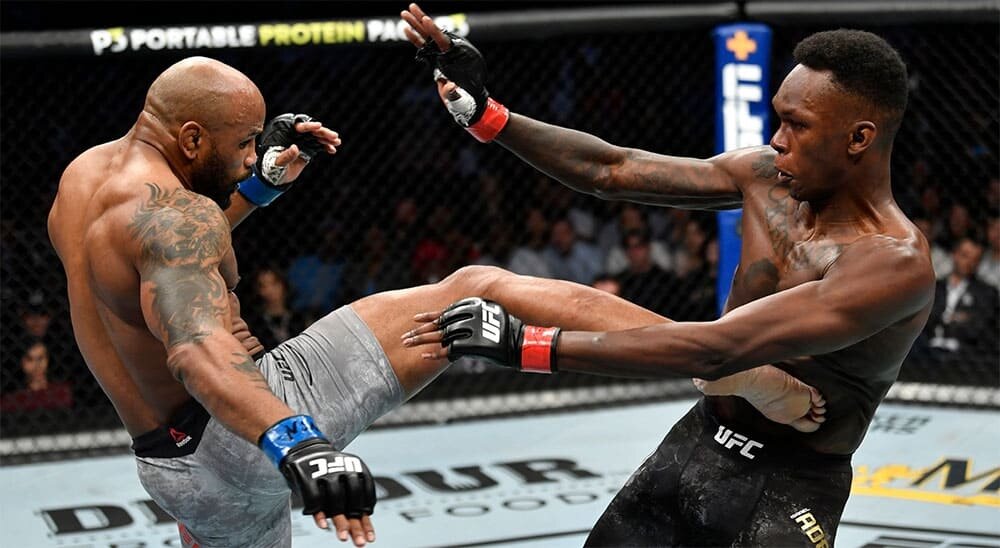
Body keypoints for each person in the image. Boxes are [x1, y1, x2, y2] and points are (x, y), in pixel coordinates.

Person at [49, 55, 823, 548]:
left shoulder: (86, 183)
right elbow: (197, 349)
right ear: (190, 138)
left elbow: (155, 279)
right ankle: (723, 364)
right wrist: (301, 446)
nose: (254, 151)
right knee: (475, 289)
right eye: (244, 143)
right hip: (244, 428)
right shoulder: (174, 217)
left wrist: (256, 189)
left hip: (172, 470)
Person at [401, 5, 933, 546]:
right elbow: (612, 170)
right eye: (779, 119)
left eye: (797, 125)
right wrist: (487, 114)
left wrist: (526, 344)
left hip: (792, 484)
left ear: (858, 138)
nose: (777, 139)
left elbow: (718, 351)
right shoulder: (766, 178)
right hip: (697, 441)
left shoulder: (892, 264)